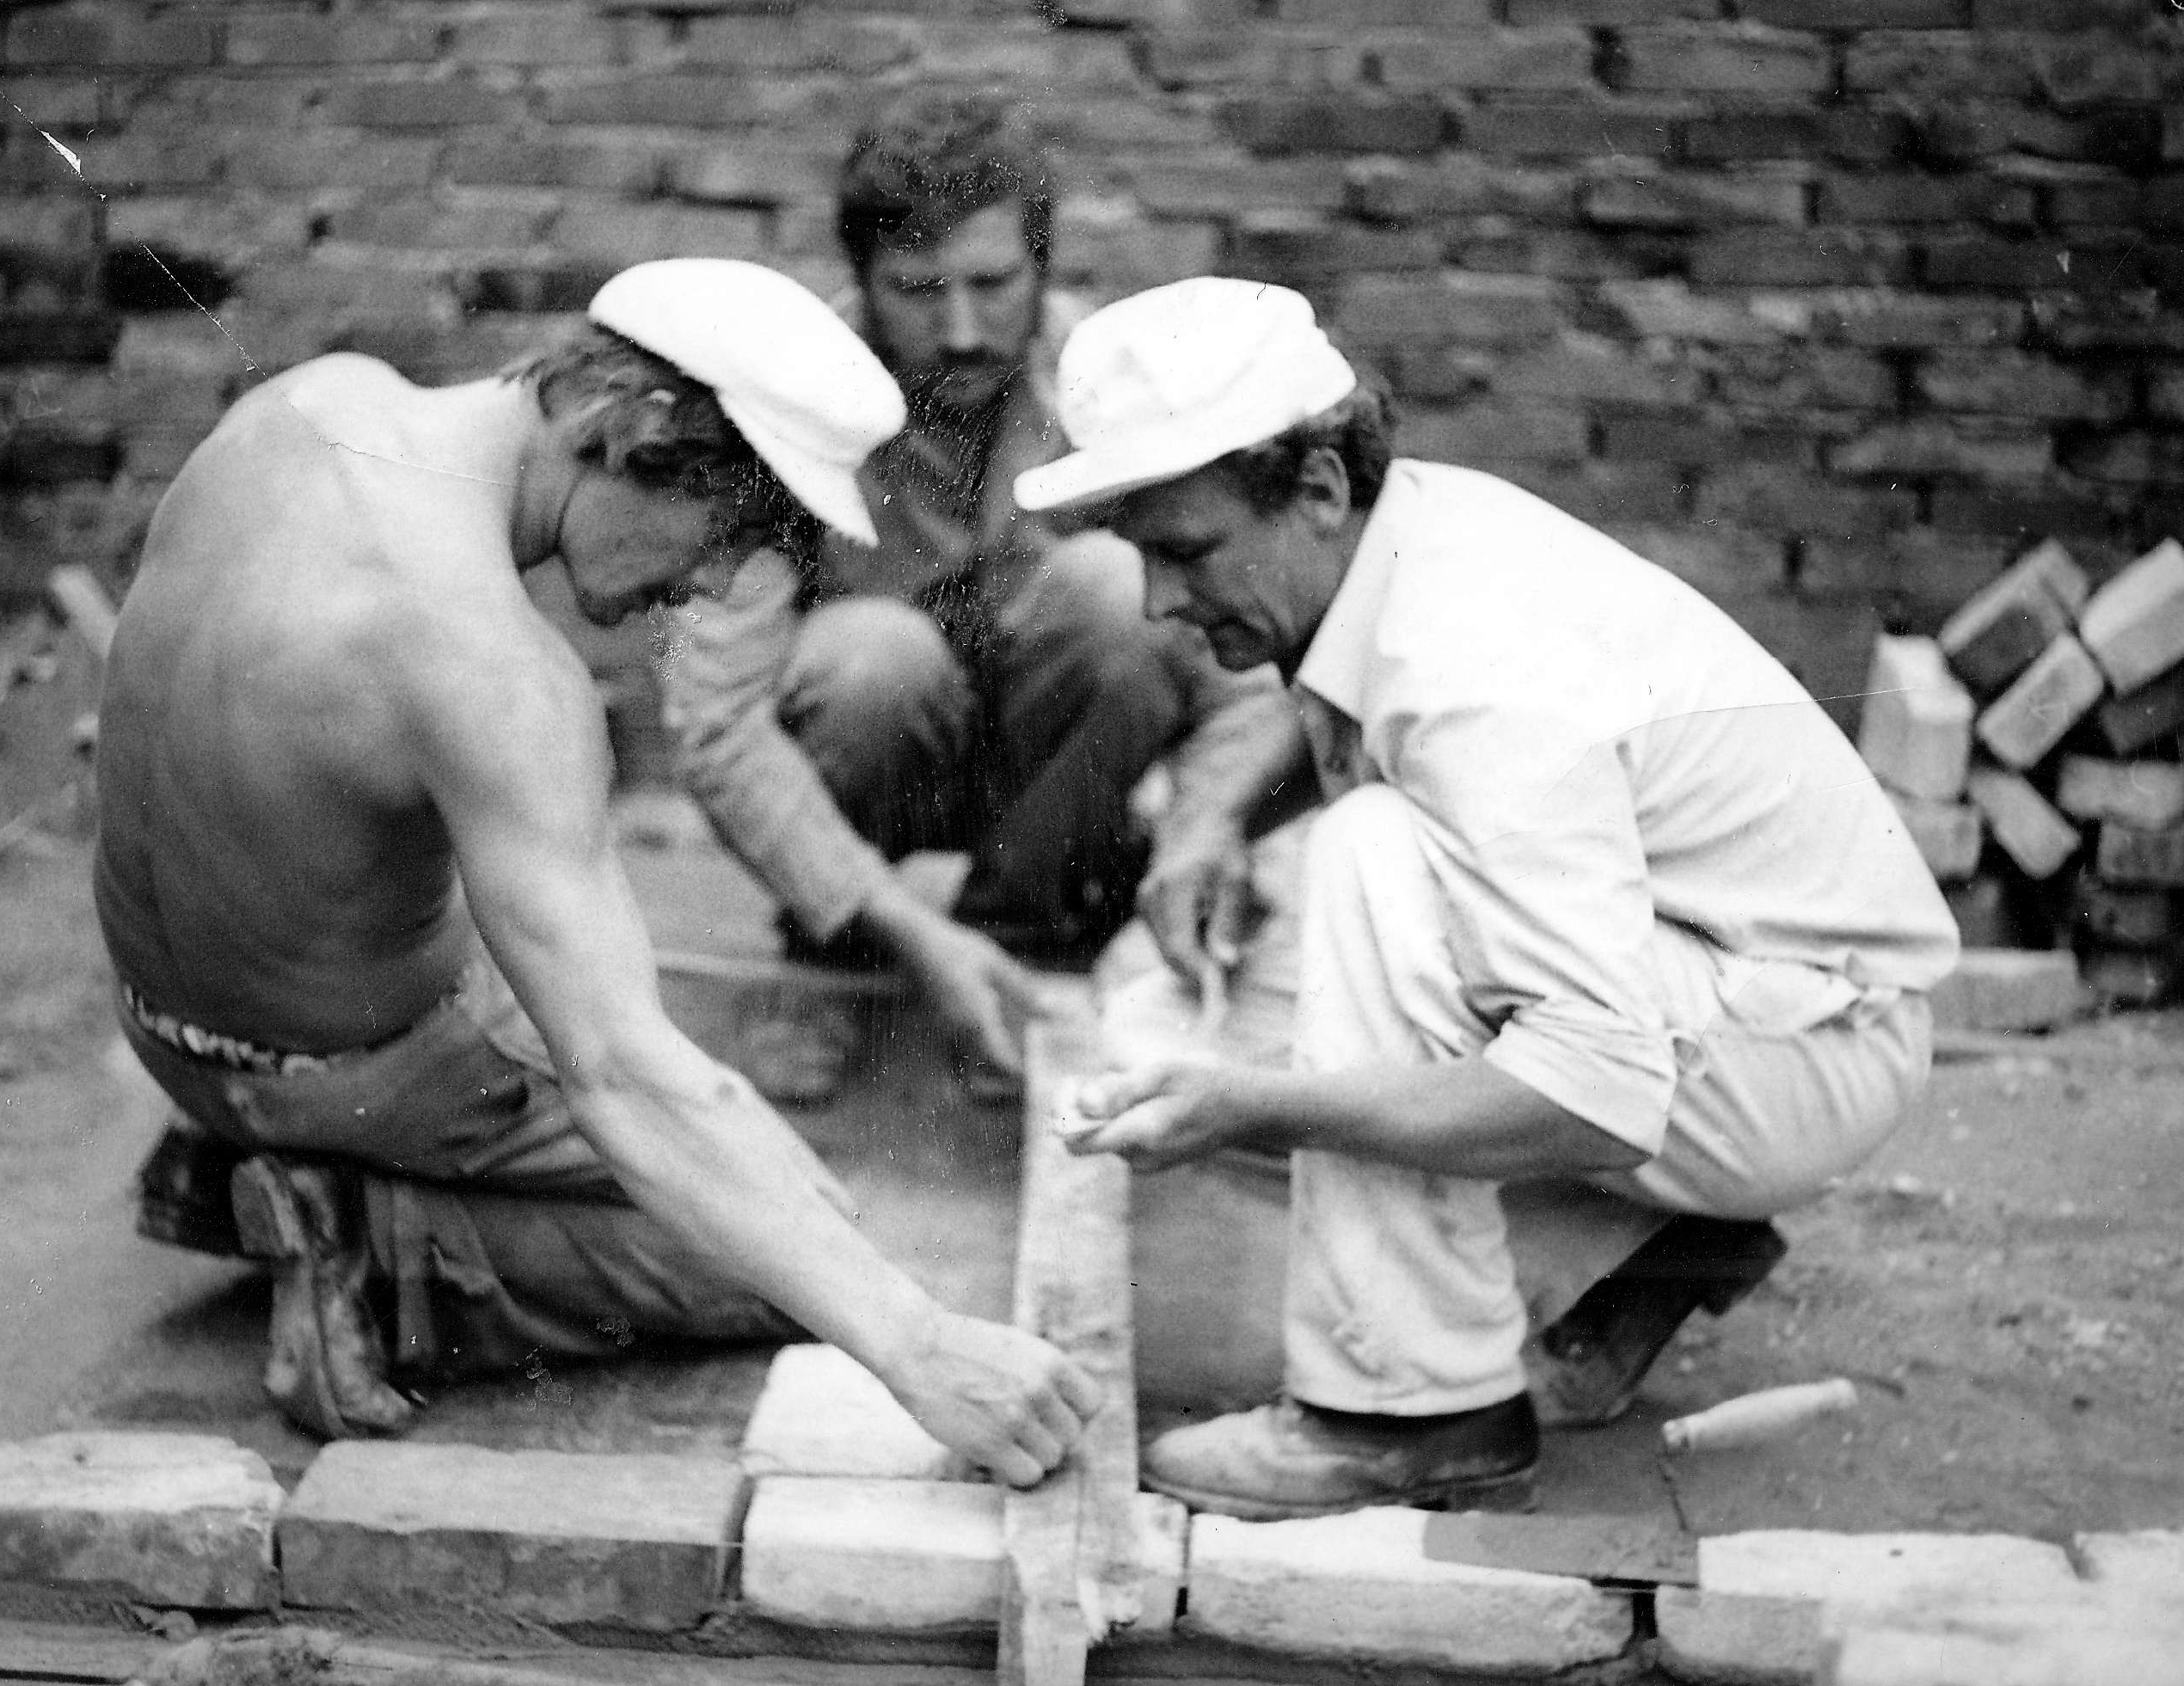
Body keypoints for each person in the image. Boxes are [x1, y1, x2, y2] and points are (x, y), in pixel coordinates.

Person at [96, 256, 1101, 1477]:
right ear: (626, 429)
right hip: (357, 1068)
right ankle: (382, 1242)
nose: (714, 582)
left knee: (727, 1144)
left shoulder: (308, 405)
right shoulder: (492, 674)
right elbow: (621, 1078)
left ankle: (252, 1157)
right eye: (733, 532)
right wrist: (918, 1344)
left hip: (166, 1029)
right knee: (807, 1244)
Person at [1016, 278, 1960, 1517]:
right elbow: (1350, 697)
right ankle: (1645, 1248)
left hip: (1805, 1045)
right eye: (1142, 554)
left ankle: (1408, 1412)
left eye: (1185, 551)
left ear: (1315, 488)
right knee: (1158, 1015)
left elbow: (1590, 1083)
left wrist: (1264, 1107)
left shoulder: (1476, 668)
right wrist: (1210, 822)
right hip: (1719, 986)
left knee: (1367, 868)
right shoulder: (1398, 533)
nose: (1157, 602)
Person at [659, 90, 1288, 1100]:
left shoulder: (1114, 387)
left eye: (993, 284)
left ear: (1041, 266)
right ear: (861, 280)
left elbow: (1245, 675)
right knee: (873, 657)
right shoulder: (780, 408)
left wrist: (1205, 827)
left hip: (1050, 786)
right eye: (916, 290)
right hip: (867, 763)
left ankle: (1017, 950)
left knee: (1115, 591)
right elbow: (713, 719)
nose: (959, 329)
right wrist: (862, 908)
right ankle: (833, 957)